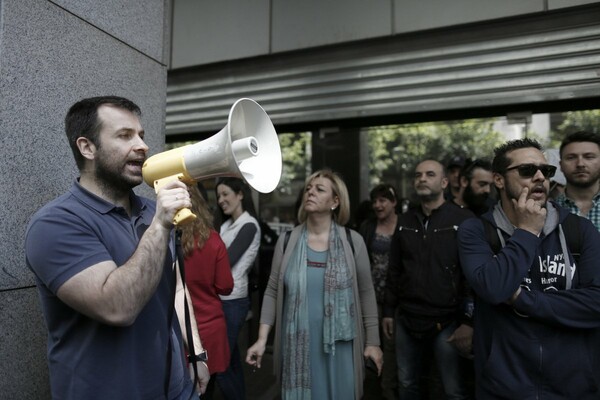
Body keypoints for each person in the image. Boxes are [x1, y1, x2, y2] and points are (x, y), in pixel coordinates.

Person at [24, 96, 208, 399]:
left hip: (175, 389)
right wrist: (161, 226)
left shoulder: (151, 210)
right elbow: (117, 308)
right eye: (125, 135)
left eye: (141, 136)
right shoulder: (55, 224)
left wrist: (196, 352)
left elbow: (174, 289)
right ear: (87, 147)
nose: (143, 146)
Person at [457, 138, 600, 399]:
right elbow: (493, 288)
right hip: (503, 387)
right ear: (498, 180)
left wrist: (523, 298)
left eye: (545, 171)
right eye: (526, 170)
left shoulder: (580, 230)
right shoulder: (476, 230)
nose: (539, 178)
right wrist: (527, 232)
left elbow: (596, 303)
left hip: (572, 387)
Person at [246, 169, 383, 400]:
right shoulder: (287, 241)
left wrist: (373, 343)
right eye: (309, 188)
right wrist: (261, 339)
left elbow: (366, 294)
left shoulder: (353, 241)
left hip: (341, 346)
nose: (311, 192)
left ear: (335, 201)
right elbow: (271, 291)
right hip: (298, 345)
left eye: (320, 189)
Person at [383, 160, 474, 400]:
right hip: (407, 317)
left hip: (447, 320)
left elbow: (471, 276)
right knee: (406, 384)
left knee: (452, 390)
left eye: (430, 174)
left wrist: (468, 321)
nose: (422, 178)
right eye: (418, 175)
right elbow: (394, 269)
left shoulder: (463, 219)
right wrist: (389, 311)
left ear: (444, 183)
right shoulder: (405, 221)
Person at [177, 185, 234, 399]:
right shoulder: (213, 240)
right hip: (210, 332)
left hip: (177, 334)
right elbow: (225, 286)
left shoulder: (163, 240)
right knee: (206, 391)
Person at [215, 177, 261, 400]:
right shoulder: (225, 226)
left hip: (233, 301)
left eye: (225, 194)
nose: (221, 200)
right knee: (231, 361)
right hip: (221, 299)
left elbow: (226, 262)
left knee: (221, 367)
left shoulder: (249, 225)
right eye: (219, 196)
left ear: (240, 194)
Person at [359, 183, 401, 400]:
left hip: (396, 299)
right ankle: (371, 391)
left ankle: (388, 391)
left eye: (383, 200)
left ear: (394, 202)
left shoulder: (405, 226)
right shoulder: (367, 227)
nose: (377, 205)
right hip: (371, 298)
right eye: (374, 201)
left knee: (393, 348)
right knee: (370, 345)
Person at [555, 131, 600, 230]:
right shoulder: (550, 210)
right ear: (561, 165)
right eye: (571, 158)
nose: (580, 164)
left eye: (589, 157)